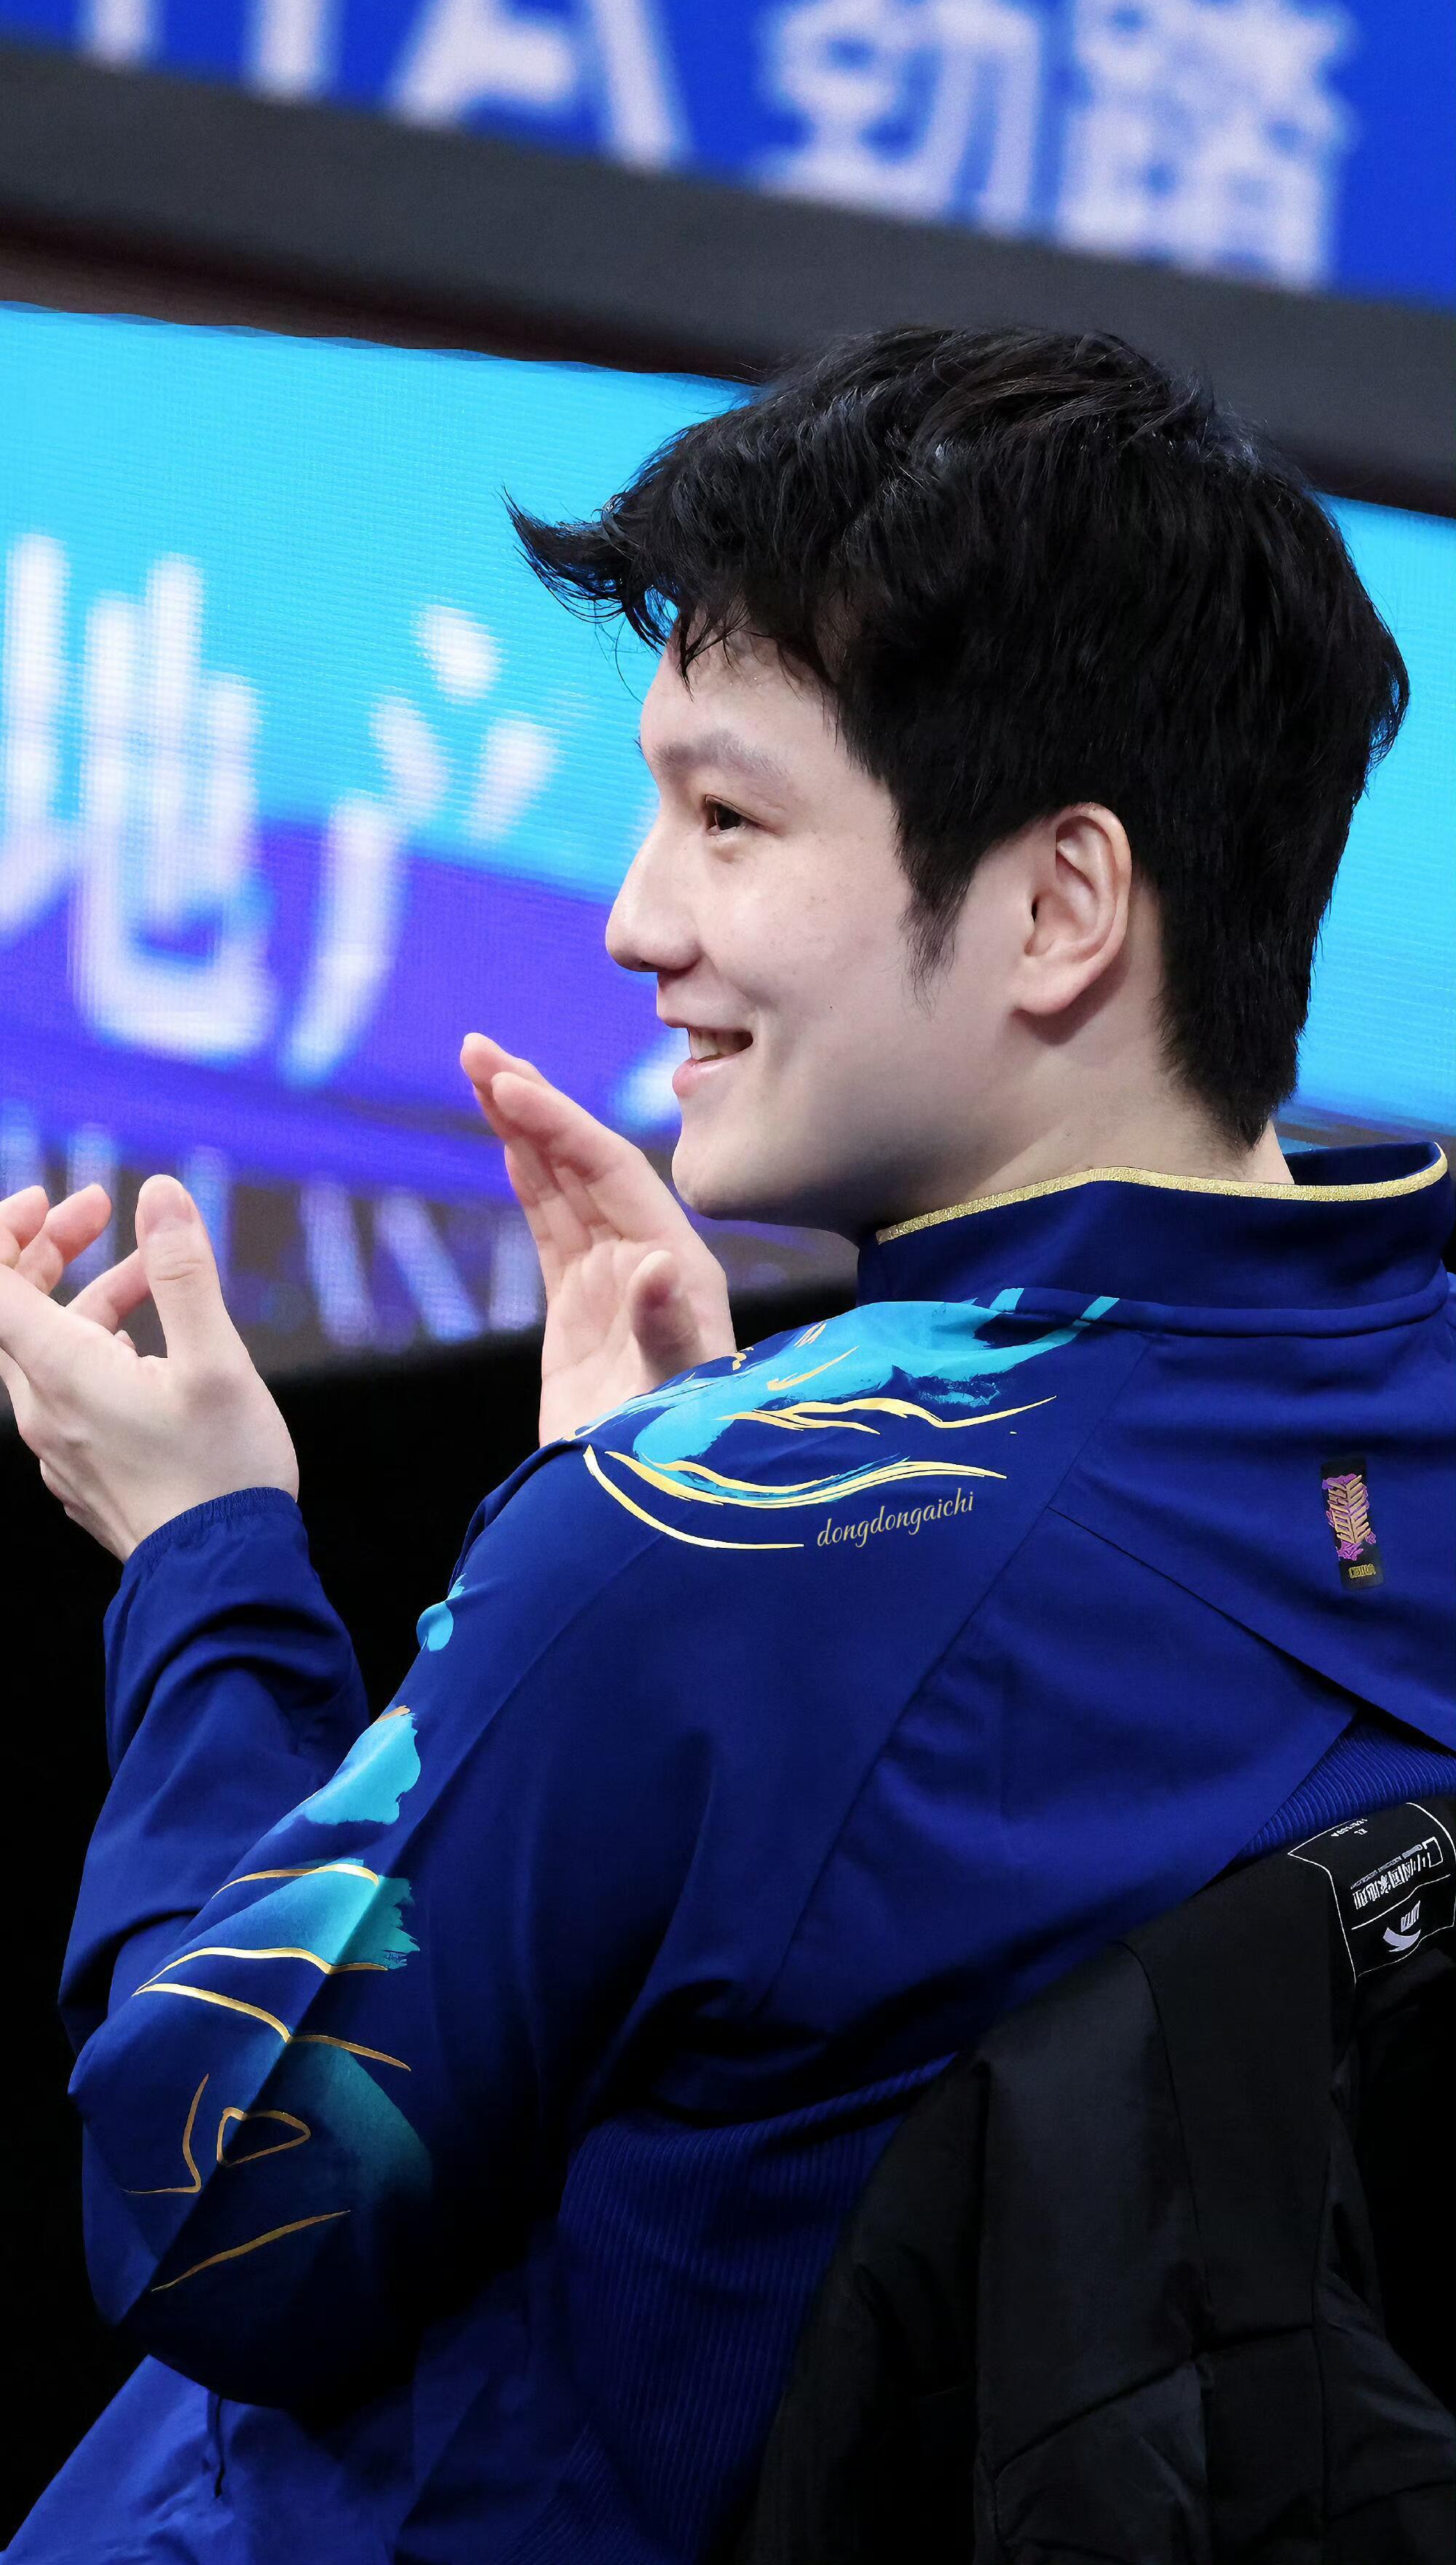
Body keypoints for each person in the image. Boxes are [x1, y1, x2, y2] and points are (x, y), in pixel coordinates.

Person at [2, 327, 1452, 2564]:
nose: (634, 918)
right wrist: (643, 1529)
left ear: (1063, 908)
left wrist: (208, 1557)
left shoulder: (722, 1552)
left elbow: (214, 2205)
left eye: (730, 818)